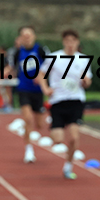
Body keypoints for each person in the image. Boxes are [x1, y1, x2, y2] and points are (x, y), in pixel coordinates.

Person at [38, 29, 92, 180]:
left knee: (74, 138)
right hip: (58, 101)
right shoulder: (54, 58)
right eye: (67, 41)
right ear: (63, 42)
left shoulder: (83, 60)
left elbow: (88, 80)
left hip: (76, 101)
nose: (70, 44)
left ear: (77, 42)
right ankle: (53, 126)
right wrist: (45, 89)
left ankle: (68, 166)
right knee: (57, 139)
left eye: (73, 41)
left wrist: (85, 81)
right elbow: (41, 74)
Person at [12, 26, 51, 164]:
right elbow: (13, 68)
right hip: (23, 89)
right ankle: (29, 150)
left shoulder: (41, 50)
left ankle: (30, 130)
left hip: (38, 91)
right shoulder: (18, 53)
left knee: (39, 124)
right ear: (20, 38)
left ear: (34, 36)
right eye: (24, 35)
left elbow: (50, 66)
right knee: (27, 119)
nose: (27, 38)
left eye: (29, 35)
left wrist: (41, 77)